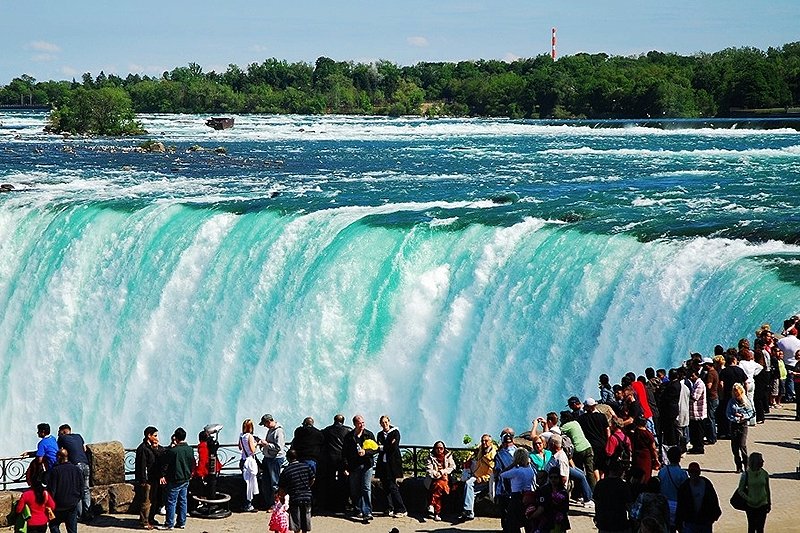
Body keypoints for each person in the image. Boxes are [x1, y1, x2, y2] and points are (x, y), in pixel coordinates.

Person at [342, 414, 377, 522]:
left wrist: (365, 452)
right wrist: (345, 467)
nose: (362, 425)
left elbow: (375, 449)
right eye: (359, 423)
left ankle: (367, 512)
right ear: (355, 424)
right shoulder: (349, 437)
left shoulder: (369, 434)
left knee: (366, 488)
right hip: (354, 466)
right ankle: (358, 509)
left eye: (363, 423)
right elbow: (344, 453)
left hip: (367, 465)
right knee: (355, 489)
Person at [160, 427, 193, 530]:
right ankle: (181, 522)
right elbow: (192, 463)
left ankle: (169, 523)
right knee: (183, 501)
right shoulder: (190, 449)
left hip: (175, 479)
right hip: (185, 478)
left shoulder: (173, 451)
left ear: (176, 437)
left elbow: (165, 463)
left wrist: (163, 475)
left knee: (171, 501)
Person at [56, 424, 92, 522]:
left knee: (77, 491)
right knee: (86, 489)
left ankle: (79, 515)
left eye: (59, 432)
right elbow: (84, 449)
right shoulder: (78, 436)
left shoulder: (62, 438)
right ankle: (88, 512)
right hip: (86, 464)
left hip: (76, 466)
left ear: (62, 431)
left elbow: (60, 451)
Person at [675, 462, 721, 533]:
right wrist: (678, 523)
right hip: (689, 521)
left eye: (695, 472)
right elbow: (680, 506)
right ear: (689, 473)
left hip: (705, 521)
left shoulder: (707, 484)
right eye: (691, 472)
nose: (694, 474)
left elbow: (714, 501)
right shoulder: (684, 487)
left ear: (699, 472)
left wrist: (713, 517)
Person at [318, 414, 351, 514]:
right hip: (342, 459)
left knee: (330, 481)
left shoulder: (327, 430)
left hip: (330, 459)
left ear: (334, 420)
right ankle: (343, 504)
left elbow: (320, 438)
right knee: (343, 481)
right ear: (343, 421)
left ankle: (330, 504)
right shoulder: (348, 430)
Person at [375, 415, 406, 518]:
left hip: (392, 465)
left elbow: (393, 447)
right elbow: (378, 447)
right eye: (382, 423)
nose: (384, 424)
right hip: (383, 464)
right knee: (385, 487)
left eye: (386, 422)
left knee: (393, 486)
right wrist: (384, 446)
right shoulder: (379, 434)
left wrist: (383, 447)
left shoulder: (395, 432)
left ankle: (402, 509)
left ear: (389, 422)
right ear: (380, 424)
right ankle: (389, 508)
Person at [460, 433, 496, 521]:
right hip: (476, 475)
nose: (484, 443)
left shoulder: (493, 456)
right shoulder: (482, 449)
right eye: (482, 441)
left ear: (491, 442)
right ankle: (469, 512)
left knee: (469, 484)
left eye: (486, 441)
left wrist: (483, 478)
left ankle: (468, 511)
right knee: (470, 490)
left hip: (484, 479)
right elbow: (477, 451)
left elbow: (492, 473)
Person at [278, 449, 315, 533]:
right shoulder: (305, 466)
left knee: (295, 520)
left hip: (295, 497)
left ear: (288, 458)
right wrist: (308, 486)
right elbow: (313, 478)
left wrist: (282, 498)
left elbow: (281, 488)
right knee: (306, 517)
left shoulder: (286, 471)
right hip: (307, 496)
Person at [524, 466, 571, 533]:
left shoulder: (563, 492)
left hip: (559, 523)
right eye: (551, 477)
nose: (553, 479)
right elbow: (541, 508)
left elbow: (566, 509)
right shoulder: (544, 490)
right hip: (546, 523)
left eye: (555, 477)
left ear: (559, 478)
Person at [47, 448, 83, 533]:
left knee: (54, 525)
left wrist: (49, 504)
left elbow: (52, 490)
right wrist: (77, 498)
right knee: (72, 529)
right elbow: (82, 486)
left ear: (59, 457)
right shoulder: (76, 469)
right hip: (72, 503)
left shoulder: (55, 471)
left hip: (58, 505)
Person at [499, 448, 535, 532]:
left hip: (516, 496)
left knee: (512, 522)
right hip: (528, 495)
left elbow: (502, 474)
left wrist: (512, 465)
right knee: (527, 521)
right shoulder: (530, 470)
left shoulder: (516, 471)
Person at [592, 460, 633, 533]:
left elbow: (596, 502)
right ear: (620, 471)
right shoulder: (623, 485)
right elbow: (628, 504)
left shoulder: (600, 484)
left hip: (604, 521)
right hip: (619, 522)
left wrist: (597, 516)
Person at [134, 426, 163, 530]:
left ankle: (151, 518)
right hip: (147, 479)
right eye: (155, 435)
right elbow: (141, 466)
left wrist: (156, 447)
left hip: (154, 478)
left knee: (153, 500)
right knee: (146, 501)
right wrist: (143, 480)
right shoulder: (142, 448)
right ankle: (144, 522)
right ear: (149, 436)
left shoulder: (152, 447)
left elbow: (161, 456)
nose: (156, 437)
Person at [737, 452, 771, 533]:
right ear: (756, 462)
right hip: (750, 506)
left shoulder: (764, 473)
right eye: (761, 460)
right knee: (751, 527)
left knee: (760, 528)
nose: (763, 461)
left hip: (763, 504)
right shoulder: (746, 474)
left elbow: (767, 489)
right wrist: (749, 499)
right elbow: (740, 490)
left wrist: (769, 503)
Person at [578, 398, 610, 480]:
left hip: (591, 445)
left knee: (594, 465)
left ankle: (598, 482)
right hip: (603, 444)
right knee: (602, 464)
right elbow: (607, 430)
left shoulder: (582, 419)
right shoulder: (602, 416)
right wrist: (608, 441)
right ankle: (602, 480)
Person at [259, 414, 286, 509]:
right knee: (266, 482)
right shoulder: (271, 430)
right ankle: (269, 503)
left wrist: (266, 444)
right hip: (268, 458)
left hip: (275, 459)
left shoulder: (278, 431)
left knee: (275, 483)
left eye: (264, 424)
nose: (264, 426)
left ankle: (277, 504)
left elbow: (279, 447)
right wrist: (263, 445)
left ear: (268, 421)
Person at [726, 382, 755, 473]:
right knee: (734, 447)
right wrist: (736, 418)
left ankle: (746, 465)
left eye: (738, 394)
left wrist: (744, 416)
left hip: (743, 425)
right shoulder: (731, 402)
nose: (736, 396)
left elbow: (752, 413)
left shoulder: (747, 401)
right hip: (734, 425)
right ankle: (738, 466)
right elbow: (728, 413)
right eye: (735, 394)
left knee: (742, 445)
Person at [657, 446, 687, 529]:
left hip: (665, 505)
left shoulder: (662, 471)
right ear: (679, 458)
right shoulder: (682, 473)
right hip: (678, 505)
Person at [424, 440, 455, 522]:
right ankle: (437, 513)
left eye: (441, 448)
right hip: (434, 479)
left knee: (439, 485)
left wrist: (442, 472)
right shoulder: (430, 457)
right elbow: (428, 469)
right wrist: (435, 474)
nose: (439, 450)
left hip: (445, 477)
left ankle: (431, 505)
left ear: (444, 449)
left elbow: (452, 467)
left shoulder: (448, 456)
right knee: (438, 486)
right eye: (437, 448)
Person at [493, 429, 517, 533]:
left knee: (515, 511)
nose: (508, 443)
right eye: (506, 441)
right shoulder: (499, 455)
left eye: (509, 440)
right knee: (505, 511)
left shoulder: (519, 452)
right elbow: (498, 470)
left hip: (518, 485)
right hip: (505, 487)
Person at [238, 418, 259, 512]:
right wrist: (256, 443)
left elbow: (239, 447)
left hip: (243, 460)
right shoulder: (250, 436)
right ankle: (248, 504)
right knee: (250, 483)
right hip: (249, 461)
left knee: (245, 482)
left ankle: (244, 504)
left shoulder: (241, 435)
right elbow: (253, 450)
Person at [631, 416, 660, 483]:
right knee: (645, 475)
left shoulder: (635, 432)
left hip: (636, 455)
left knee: (637, 475)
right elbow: (653, 448)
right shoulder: (648, 434)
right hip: (646, 456)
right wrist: (656, 459)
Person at [687, 367, 707, 454]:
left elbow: (695, 397)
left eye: (692, 376)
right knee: (694, 431)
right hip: (694, 413)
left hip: (698, 413)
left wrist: (687, 395)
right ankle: (695, 446)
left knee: (699, 432)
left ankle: (699, 448)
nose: (691, 378)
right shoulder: (695, 384)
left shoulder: (700, 384)